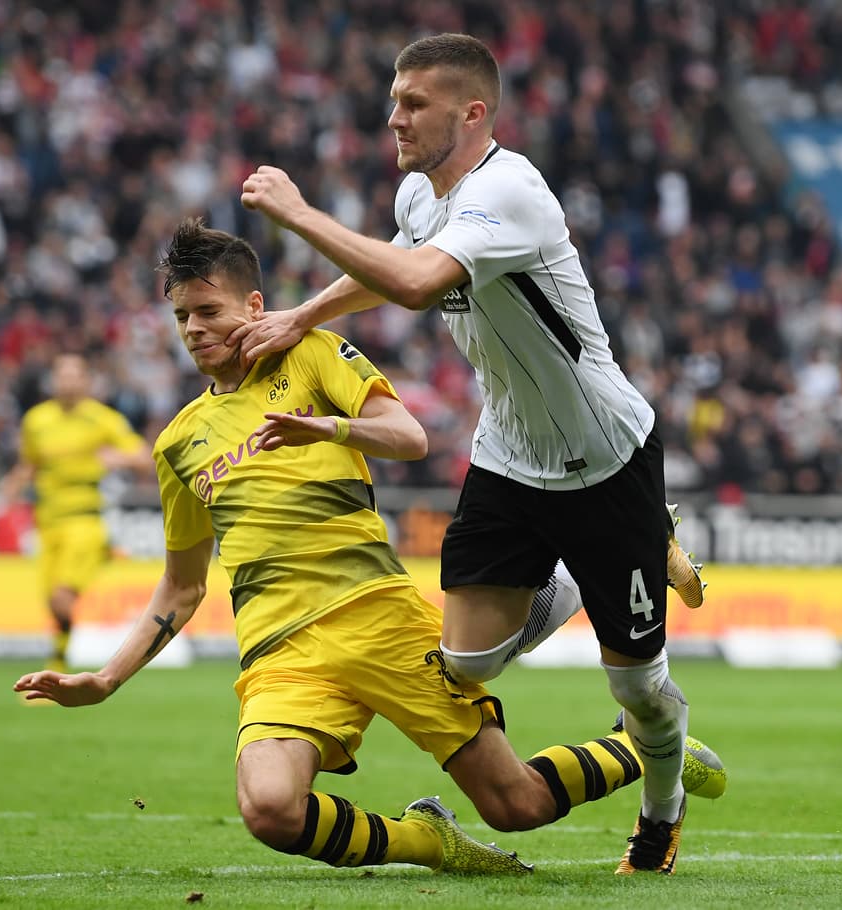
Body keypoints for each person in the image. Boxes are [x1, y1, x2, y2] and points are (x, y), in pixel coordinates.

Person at [16, 219, 725, 876]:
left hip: (377, 616)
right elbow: (180, 588)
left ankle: (642, 744)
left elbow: (410, 436)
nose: (194, 330)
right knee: (268, 808)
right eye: (181, 318)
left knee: (518, 806)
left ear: (254, 304)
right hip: (279, 654)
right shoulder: (177, 444)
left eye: (209, 311)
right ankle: (429, 840)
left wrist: (328, 430)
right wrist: (105, 679)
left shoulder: (312, 353)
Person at [235, 33, 707, 874]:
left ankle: (661, 814)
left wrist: (298, 213)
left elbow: (418, 285)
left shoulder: (511, 191)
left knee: (638, 691)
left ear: (473, 111)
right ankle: (589, 573)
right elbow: (394, 266)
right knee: (463, 663)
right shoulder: (423, 194)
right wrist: (302, 318)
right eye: (394, 100)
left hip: (607, 461)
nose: (394, 118)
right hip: (509, 458)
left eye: (414, 103)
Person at [2, 353, 150, 672]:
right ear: (53, 381)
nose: (68, 382)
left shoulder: (102, 419)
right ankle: (57, 661)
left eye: (75, 375)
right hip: (48, 522)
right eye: (62, 375)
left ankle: (60, 664)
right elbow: (30, 463)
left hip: (84, 519)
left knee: (62, 597)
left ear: (86, 381)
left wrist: (117, 459)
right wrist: (12, 487)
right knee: (53, 604)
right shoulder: (36, 421)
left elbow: (142, 456)